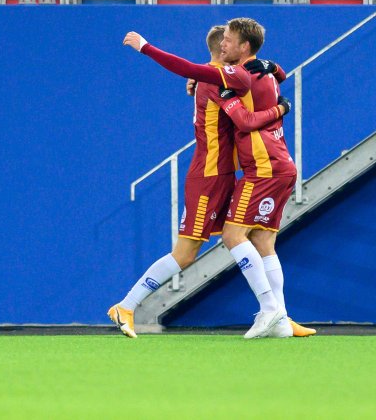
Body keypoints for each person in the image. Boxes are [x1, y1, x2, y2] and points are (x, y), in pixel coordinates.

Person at [120, 20, 314, 339]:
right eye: (223, 40)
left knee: (259, 240)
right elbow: (243, 119)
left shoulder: (226, 77)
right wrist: (280, 108)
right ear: (221, 52)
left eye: (230, 39)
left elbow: (253, 80)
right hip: (208, 176)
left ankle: (279, 318)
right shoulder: (216, 81)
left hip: (227, 175)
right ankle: (126, 305)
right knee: (189, 252)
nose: (226, 44)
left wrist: (269, 68)